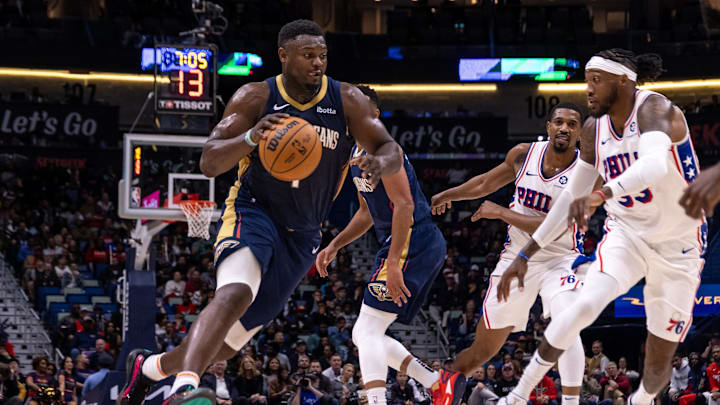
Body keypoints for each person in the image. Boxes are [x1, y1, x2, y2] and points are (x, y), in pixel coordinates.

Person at [118, 19, 403, 405]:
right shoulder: (254, 97)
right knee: (235, 292)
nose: (317, 63)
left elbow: (390, 148)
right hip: (255, 212)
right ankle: (185, 388)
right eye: (307, 56)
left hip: (303, 234)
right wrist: (251, 137)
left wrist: (381, 164)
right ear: (283, 56)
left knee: (229, 346)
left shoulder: (347, 99)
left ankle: (148, 369)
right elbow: (209, 162)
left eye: (322, 55)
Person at [495, 48, 706, 405]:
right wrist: (526, 255)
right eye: (586, 81)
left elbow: (653, 166)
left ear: (623, 82)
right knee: (582, 306)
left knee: (657, 362)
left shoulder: (655, 109)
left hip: (678, 243)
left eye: (596, 81)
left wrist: (603, 193)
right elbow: (568, 201)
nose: (588, 90)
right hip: (627, 233)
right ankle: (516, 396)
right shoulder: (593, 130)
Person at [430, 101, 589, 405]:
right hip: (515, 258)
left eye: (572, 124)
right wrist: (448, 194)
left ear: (580, 133)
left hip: (561, 258)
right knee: (483, 350)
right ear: (548, 127)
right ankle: (441, 392)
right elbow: (485, 183)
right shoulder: (523, 155)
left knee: (567, 321)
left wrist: (502, 213)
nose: (564, 128)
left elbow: (554, 225)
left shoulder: (585, 172)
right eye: (559, 122)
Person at [316, 86, 450, 405]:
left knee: (367, 331)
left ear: (374, 115)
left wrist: (393, 264)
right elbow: (366, 212)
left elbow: (404, 206)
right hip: (402, 240)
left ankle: (379, 400)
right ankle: (439, 383)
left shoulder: (386, 152)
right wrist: (335, 245)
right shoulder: (354, 155)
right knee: (364, 333)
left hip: (413, 238)